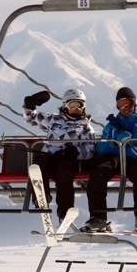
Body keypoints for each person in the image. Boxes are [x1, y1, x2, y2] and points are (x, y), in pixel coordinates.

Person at [81, 83, 137, 233]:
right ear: (117, 107)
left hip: (135, 158)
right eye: (121, 105)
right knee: (98, 173)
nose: (125, 108)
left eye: (128, 104)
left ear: (135, 104)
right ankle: (98, 218)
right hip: (113, 158)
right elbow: (101, 148)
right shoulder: (112, 126)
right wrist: (116, 142)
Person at [22, 88, 97, 224]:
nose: (76, 109)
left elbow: (90, 150)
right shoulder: (54, 120)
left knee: (64, 172)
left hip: (66, 160)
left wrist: (75, 152)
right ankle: (41, 197)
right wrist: (30, 105)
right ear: (65, 106)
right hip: (49, 156)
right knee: (38, 163)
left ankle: (65, 210)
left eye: (79, 105)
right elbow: (31, 118)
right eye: (72, 105)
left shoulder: (85, 127)